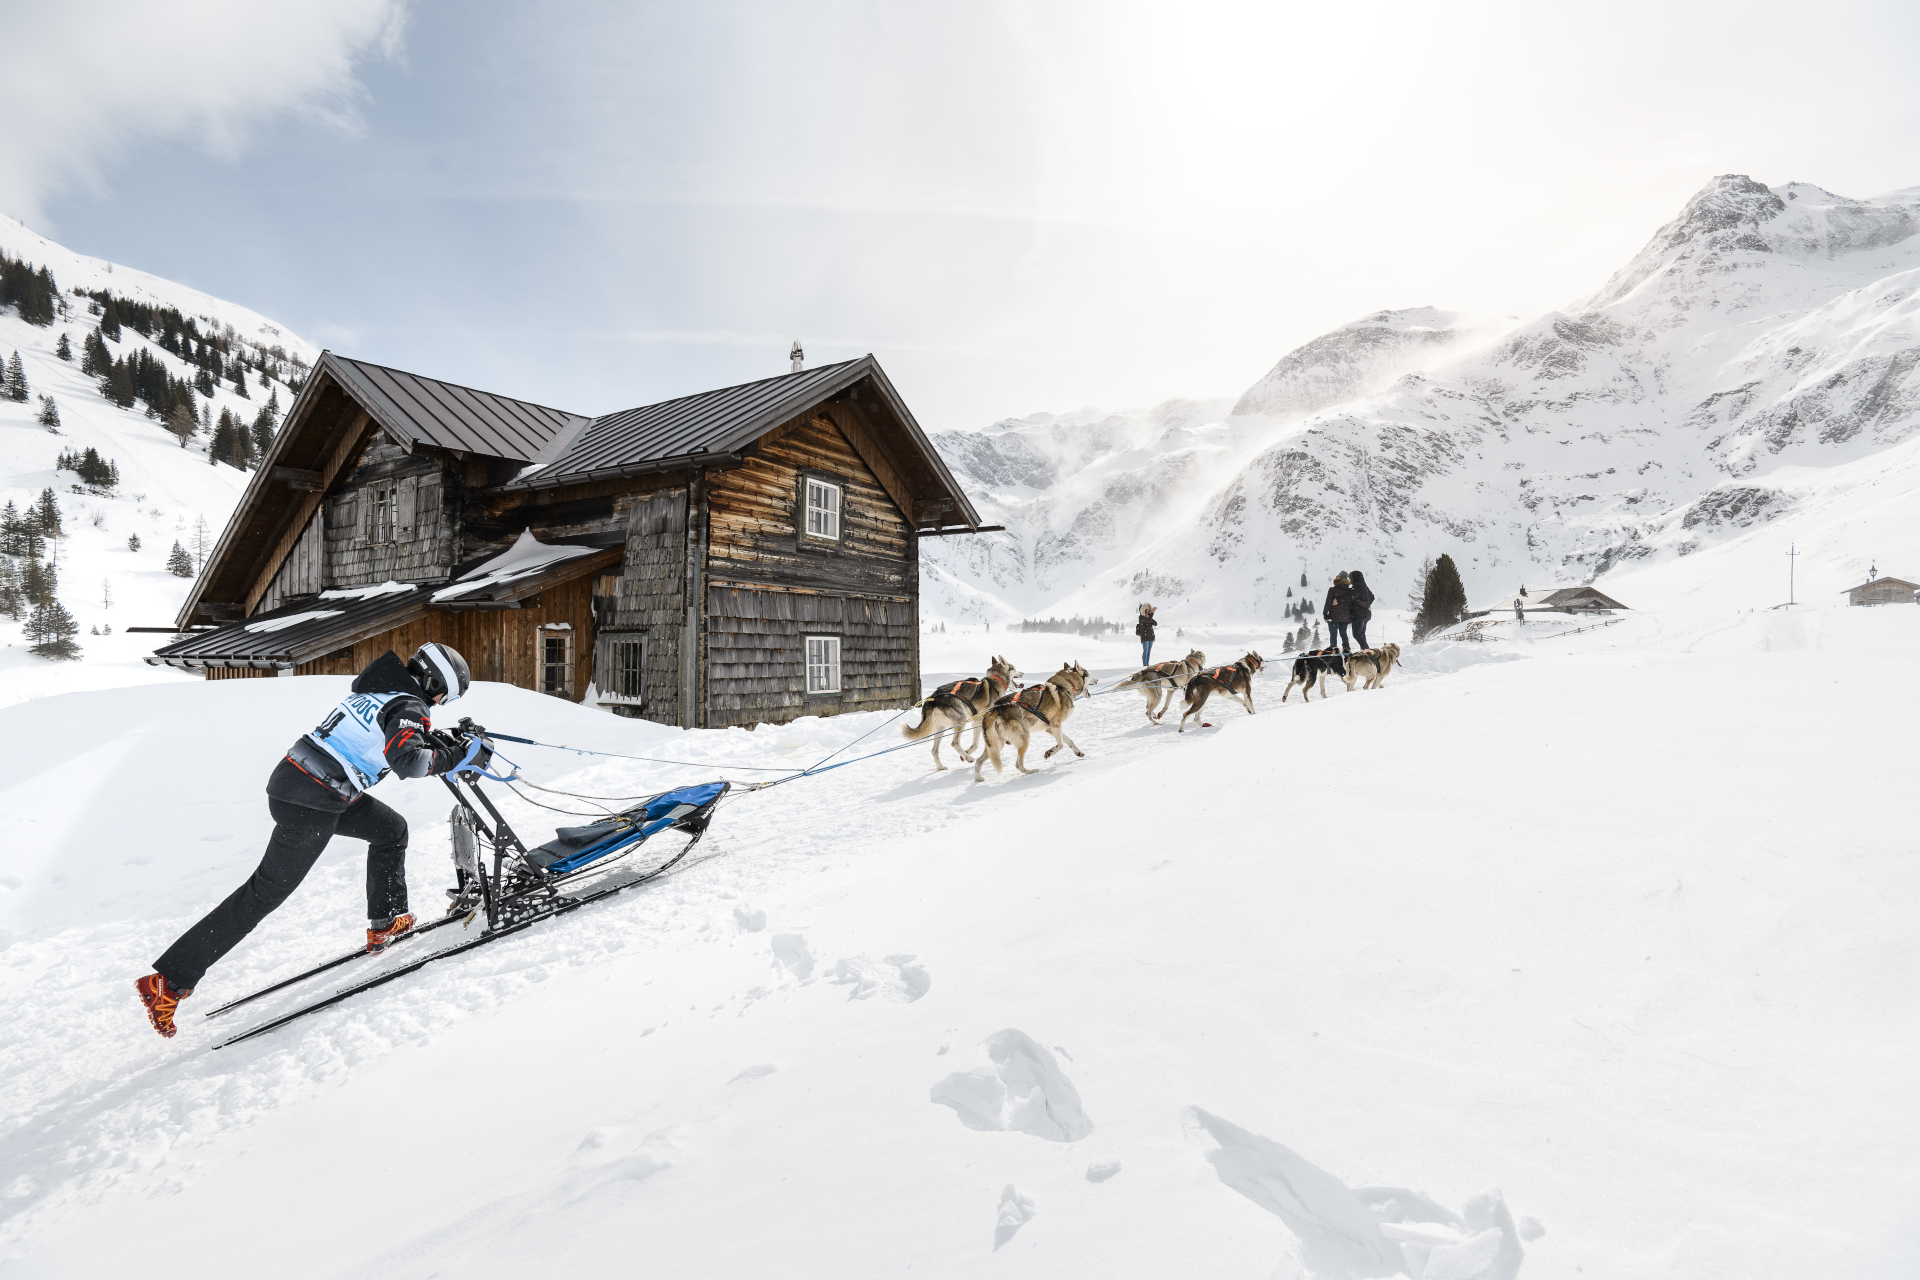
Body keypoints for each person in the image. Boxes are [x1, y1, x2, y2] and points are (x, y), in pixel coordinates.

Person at [135, 643, 486, 1038]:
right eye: (443, 696)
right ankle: (170, 981)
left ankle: (386, 921)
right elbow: (410, 761)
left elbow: (393, 739)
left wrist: (447, 743)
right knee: (262, 895)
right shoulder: (408, 706)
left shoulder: (379, 691)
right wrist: (459, 755)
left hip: (305, 784)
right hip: (314, 801)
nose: (438, 704)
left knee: (391, 830)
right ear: (433, 683)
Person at [1323, 574, 1354, 653]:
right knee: (1343, 633)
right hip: (1345, 616)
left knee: (1333, 634)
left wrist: (1325, 613)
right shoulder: (1349, 590)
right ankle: (1346, 648)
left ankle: (1333, 649)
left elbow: (1328, 602)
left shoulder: (1333, 589)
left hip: (1334, 616)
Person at [1347, 569, 1375, 649]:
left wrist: (1360, 603)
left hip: (1358, 614)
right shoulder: (1364, 585)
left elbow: (1352, 597)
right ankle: (1365, 652)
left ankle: (1366, 650)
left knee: (1356, 634)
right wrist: (1366, 604)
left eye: (1351, 578)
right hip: (1366, 614)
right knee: (1362, 634)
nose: (1350, 580)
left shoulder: (1357, 586)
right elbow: (1372, 596)